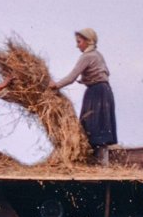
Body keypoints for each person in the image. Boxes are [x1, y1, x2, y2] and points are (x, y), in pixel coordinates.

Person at [50, 28, 116, 165]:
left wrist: (55, 85)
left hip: (96, 93)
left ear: (88, 41)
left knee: (93, 127)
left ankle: (99, 164)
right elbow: (100, 73)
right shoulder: (97, 55)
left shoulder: (87, 56)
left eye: (79, 42)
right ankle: (101, 163)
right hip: (104, 91)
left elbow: (72, 77)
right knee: (101, 127)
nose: (77, 45)